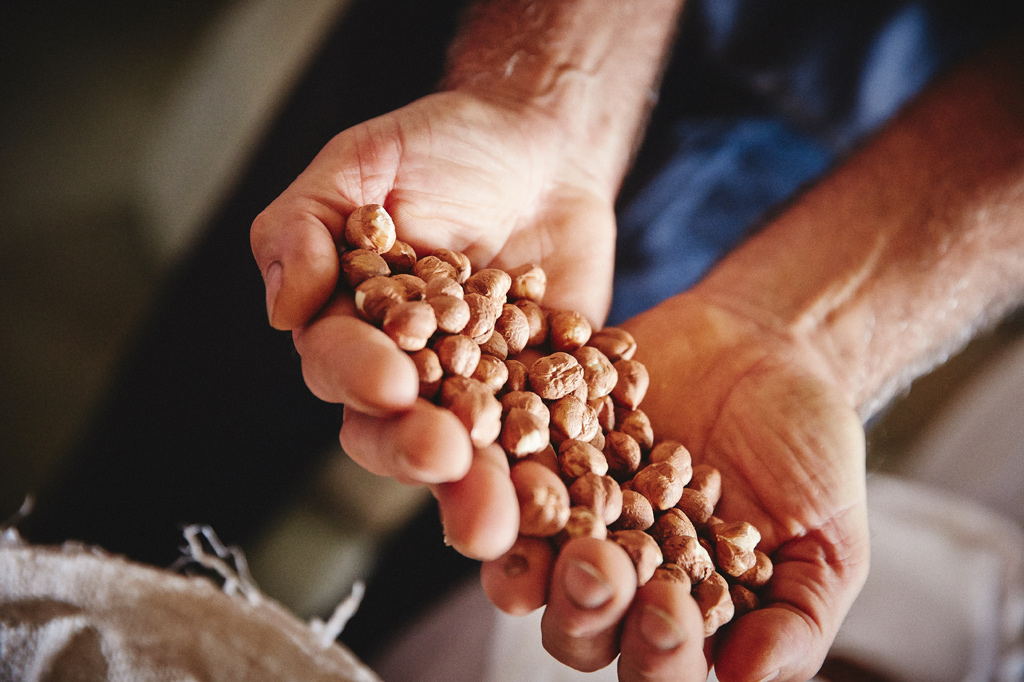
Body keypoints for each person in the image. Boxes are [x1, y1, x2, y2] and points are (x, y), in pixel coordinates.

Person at [250, 1, 1024, 681]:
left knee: (492, 558)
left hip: (889, 159)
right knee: (247, 376)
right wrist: (545, 89)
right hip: (512, 42)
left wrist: (815, 333)